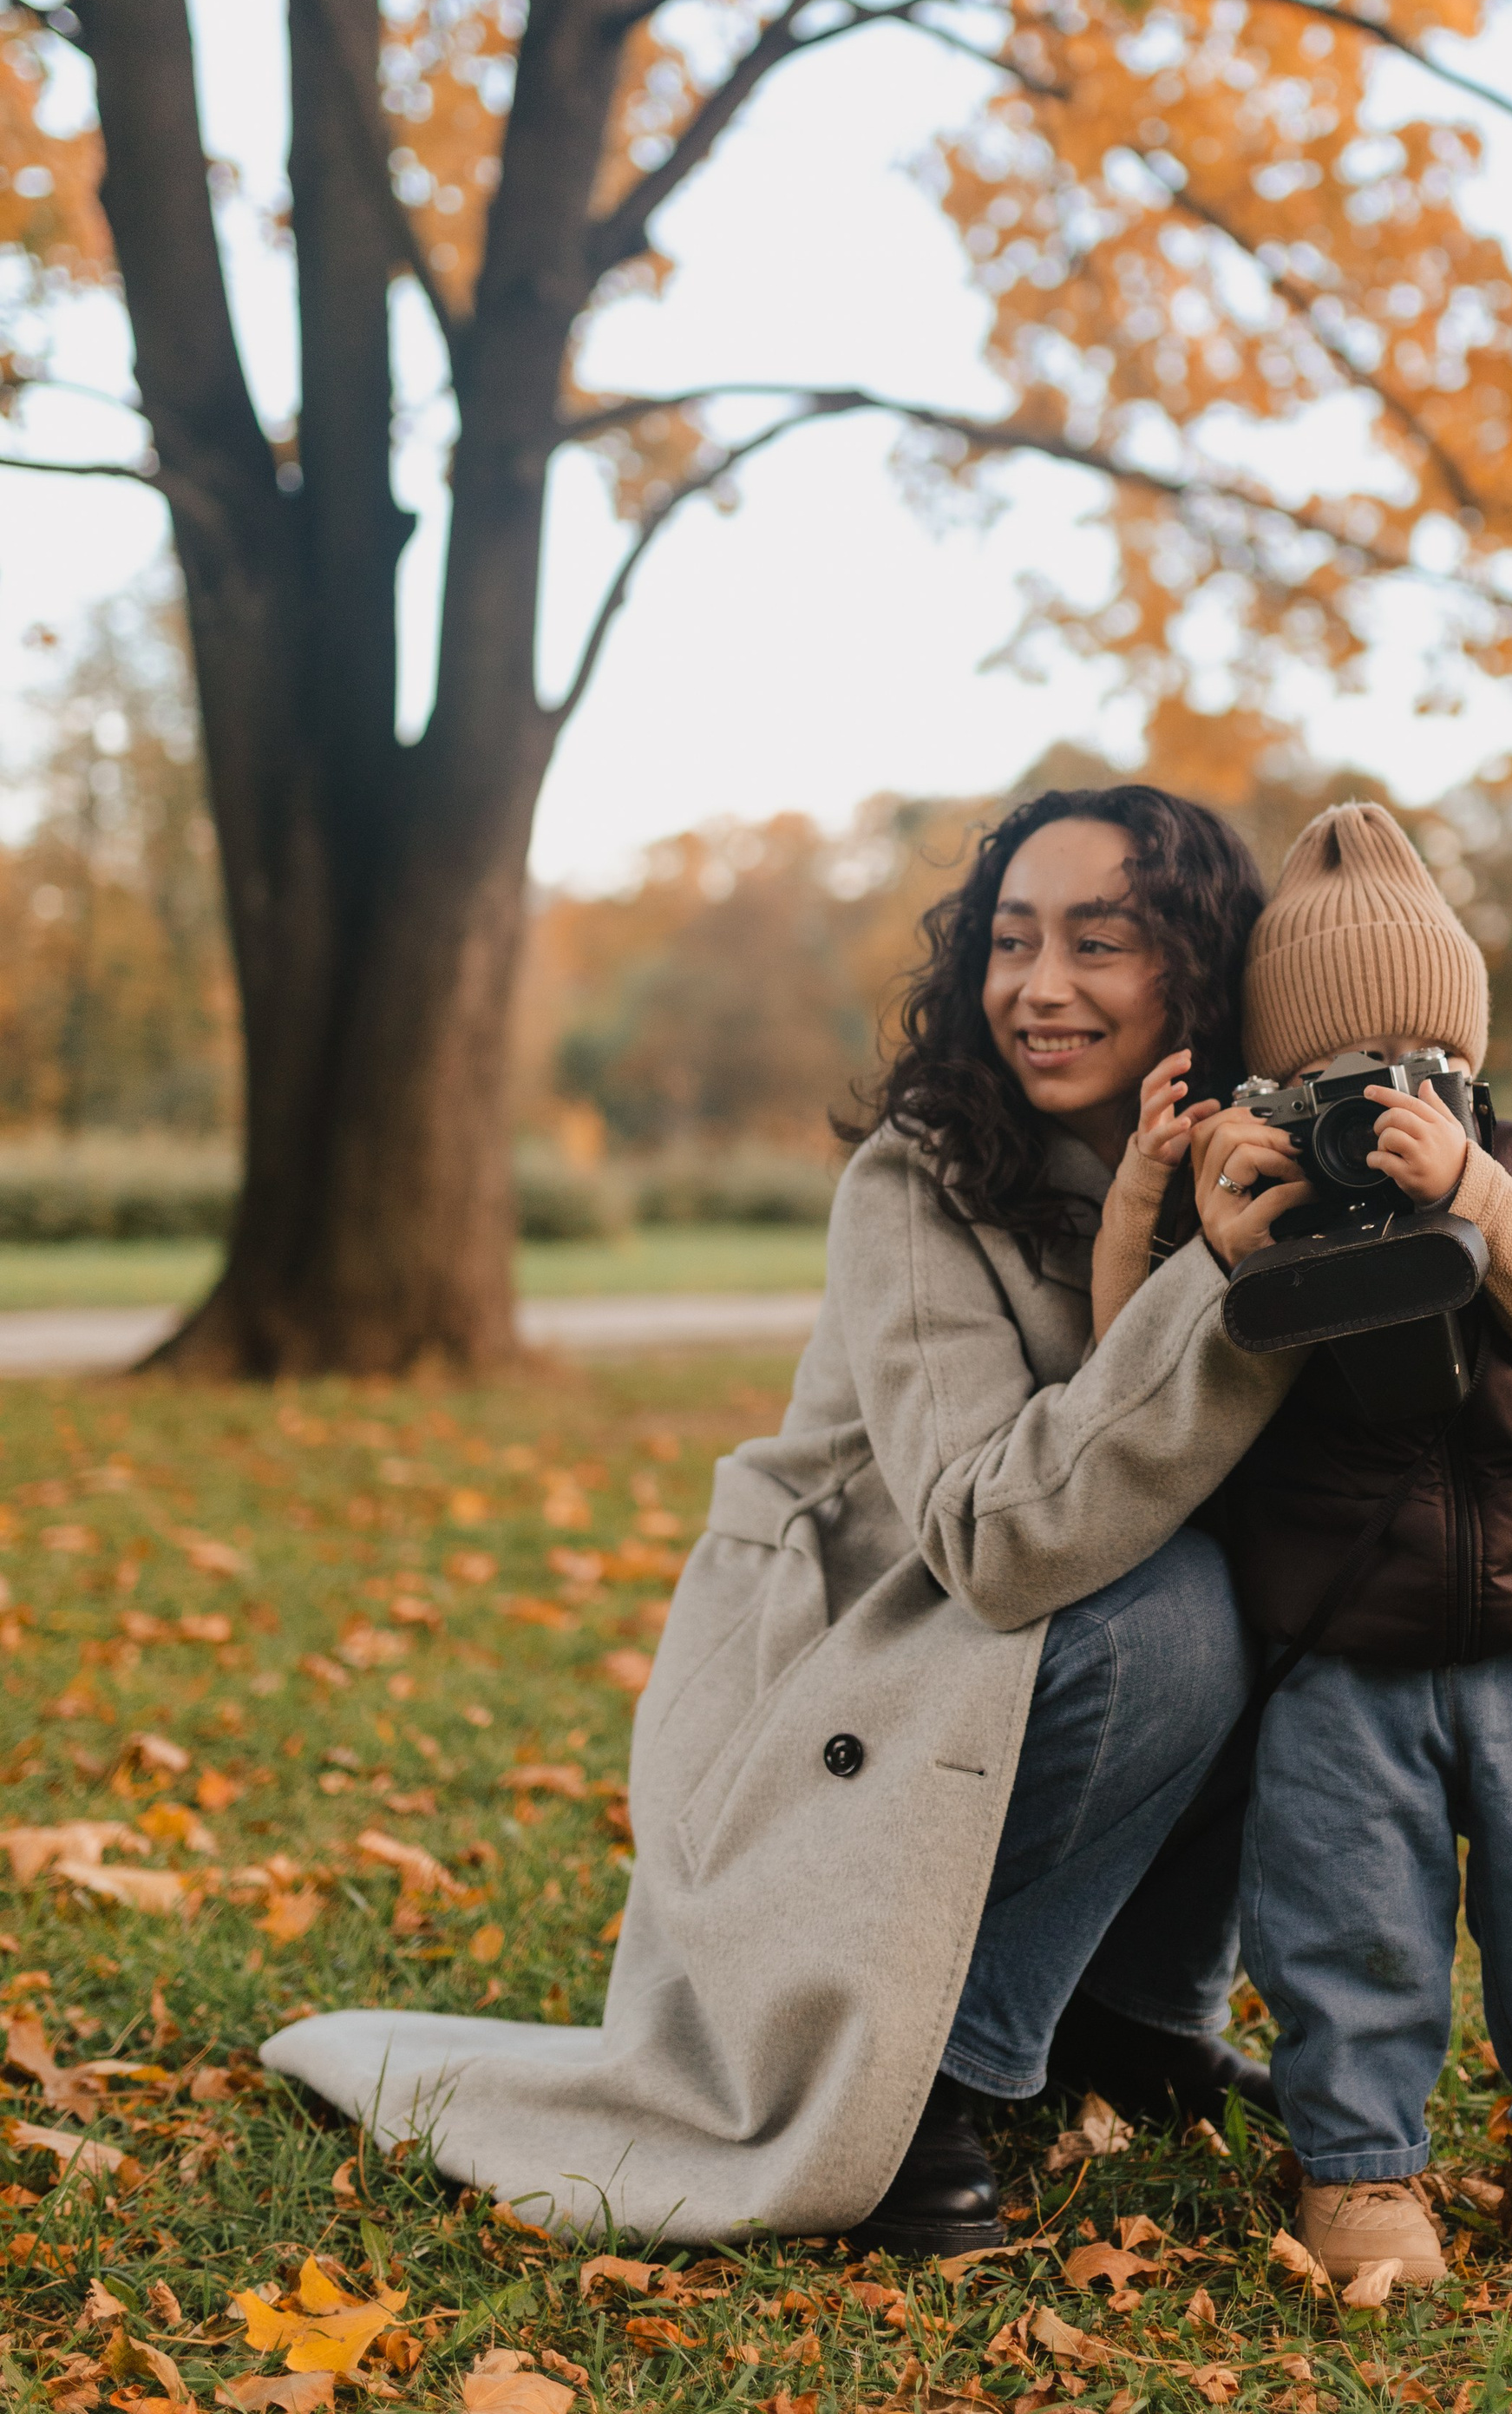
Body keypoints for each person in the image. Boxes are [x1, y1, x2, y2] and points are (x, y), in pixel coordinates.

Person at [262, 786, 1305, 2249]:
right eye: (1012, 941)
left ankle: (1132, 2017)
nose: (1041, 985)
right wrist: (1201, 1291)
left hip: (999, 1658)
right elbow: (997, 1543)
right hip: (843, 1661)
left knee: (1290, 1590)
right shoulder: (918, 1181)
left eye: (1100, 941)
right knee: (1177, 1612)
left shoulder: (1236, 1171)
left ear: (1197, 969)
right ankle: (919, 2077)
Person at [1090, 802, 1512, 2301]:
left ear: (1467, 1066)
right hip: (1340, 1641)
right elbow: (1121, 1368)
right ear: (1277, 1082)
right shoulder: (1264, 1216)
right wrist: (1179, 1223)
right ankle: (1361, 2169)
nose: (1373, 1112)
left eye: (1411, 1074)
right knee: (1346, 1916)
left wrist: (1468, 1185)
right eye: (1335, 1081)